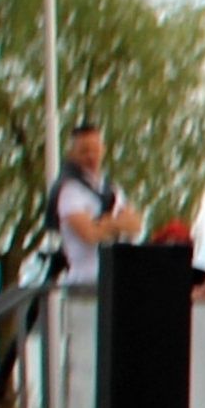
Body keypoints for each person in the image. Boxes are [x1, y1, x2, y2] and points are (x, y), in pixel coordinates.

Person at [51, 121, 143, 289]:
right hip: (85, 284)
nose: (91, 156)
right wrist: (117, 224)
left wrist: (106, 224)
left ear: (103, 149)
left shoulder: (113, 190)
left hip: (116, 281)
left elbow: (135, 225)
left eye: (95, 149)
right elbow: (89, 234)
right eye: (84, 151)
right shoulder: (70, 191)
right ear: (72, 154)